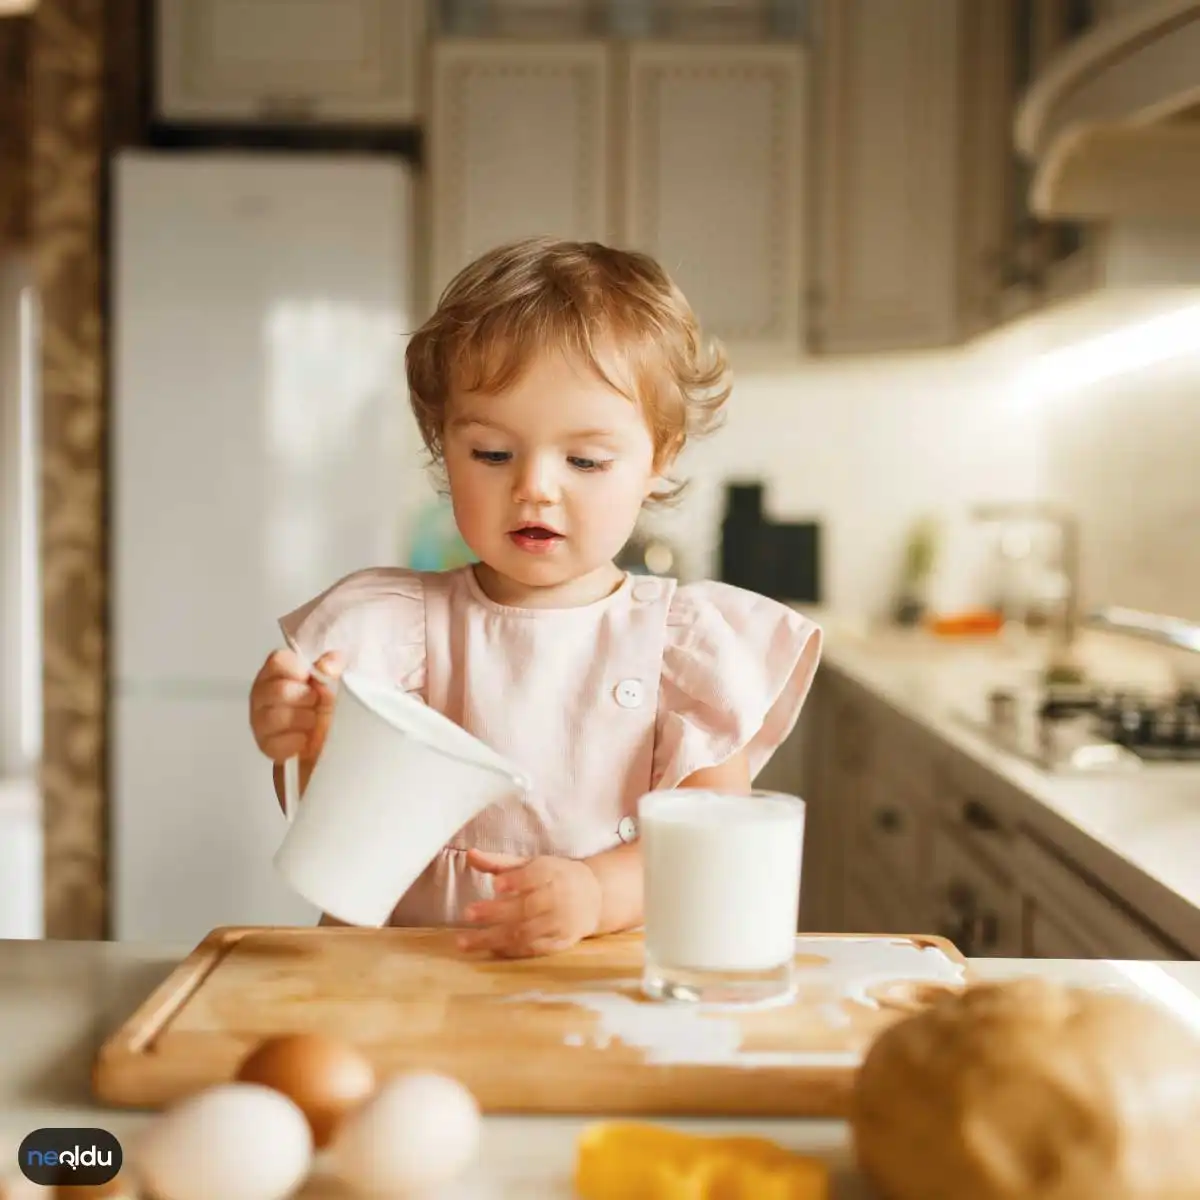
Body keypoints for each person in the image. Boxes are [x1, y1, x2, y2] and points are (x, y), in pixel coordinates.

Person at [248, 235, 822, 958]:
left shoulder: (686, 644)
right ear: (441, 443)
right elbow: (326, 814)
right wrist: (300, 739)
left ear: (659, 458)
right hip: (402, 971)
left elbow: (710, 843)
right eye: (492, 453)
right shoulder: (392, 627)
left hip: (591, 978)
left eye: (584, 459)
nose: (535, 488)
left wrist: (596, 893)